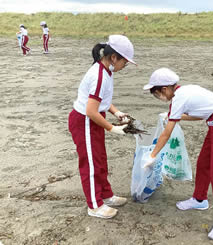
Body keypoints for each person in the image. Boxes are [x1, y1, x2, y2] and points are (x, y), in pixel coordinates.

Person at [143, 68, 213, 240]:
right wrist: (173, 115)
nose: (158, 98)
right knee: (203, 163)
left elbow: (166, 133)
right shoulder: (181, 93)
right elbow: (199, 115)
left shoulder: (180, 96)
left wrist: (152, 155)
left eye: (156, 94)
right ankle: (200, 199)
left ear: (164, 89)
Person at [68, 35, 136, 219]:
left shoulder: (106, 71)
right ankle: (94, 205)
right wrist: (112, 128)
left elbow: (102, 101)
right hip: (85, 121)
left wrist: (116, 112)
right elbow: (91, 110)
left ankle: (106, 195)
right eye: (125, 62)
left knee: (100, 160)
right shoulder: (99, 75)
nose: (125, 66)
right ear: (114, 57)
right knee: (90, 164)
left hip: (96, 118)